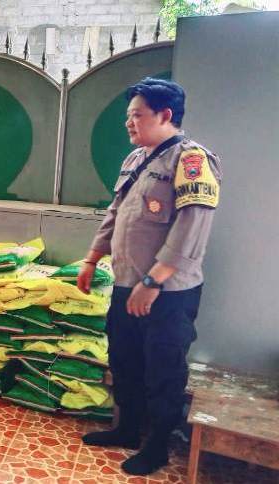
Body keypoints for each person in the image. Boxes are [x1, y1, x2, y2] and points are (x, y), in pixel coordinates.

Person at [78, 78, 222, 475]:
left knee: (163, 369)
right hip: (127, 283)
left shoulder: (191, 160)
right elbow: (116, 214)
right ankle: (127, 429)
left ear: (165, 115)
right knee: (124, 359)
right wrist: (91, 259)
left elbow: (192, 227)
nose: (129, 122)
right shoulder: (135, 160)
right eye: (128, 116)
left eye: (137, 115)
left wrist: (153, 281)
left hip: (168, 292)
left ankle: (157, 446)